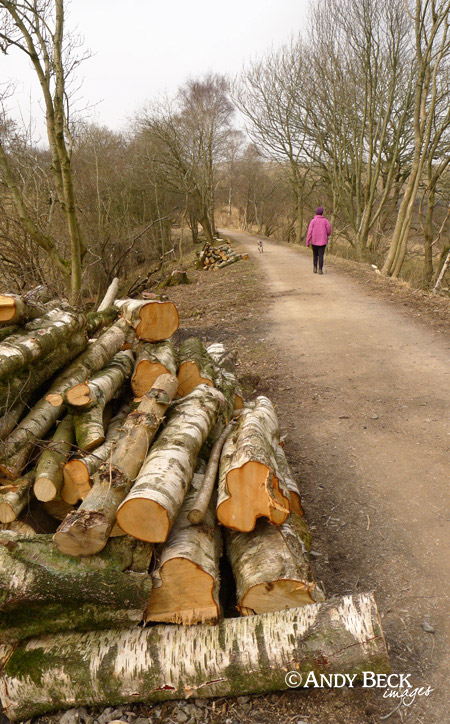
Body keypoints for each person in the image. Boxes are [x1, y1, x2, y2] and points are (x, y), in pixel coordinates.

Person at [306, 206, 331, 274]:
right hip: (323, 241)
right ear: (322, 213)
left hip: (314, 241)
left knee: (315, 254)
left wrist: (307, 241)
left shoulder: (313, 221)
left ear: (316, 213)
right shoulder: (326, 221)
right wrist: (326, 235)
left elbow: (309, 232)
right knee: (321, 255)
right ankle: (320, 269)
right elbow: (329, 230)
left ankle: (315, 267)